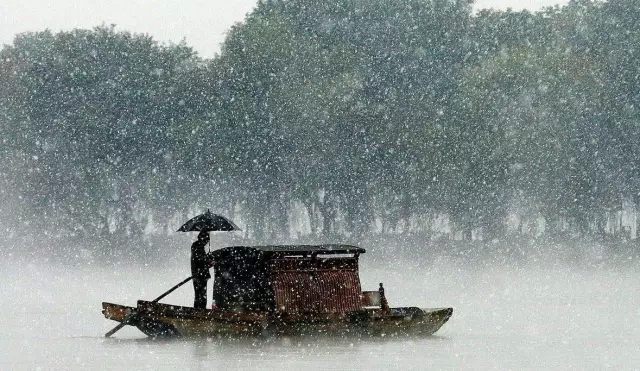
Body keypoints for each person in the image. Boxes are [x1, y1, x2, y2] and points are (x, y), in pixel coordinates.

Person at [191, 230, 211, 309]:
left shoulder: (197, 246)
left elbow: (199, 259)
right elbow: (199, 260)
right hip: (200, 274)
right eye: (207, 239)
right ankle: (200, 311)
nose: (207, 242)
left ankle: (198, 310)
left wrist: (206, 259)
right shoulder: (198, 246)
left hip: (198, 274)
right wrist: (207, 260)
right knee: (201, 294)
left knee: (199, 294)